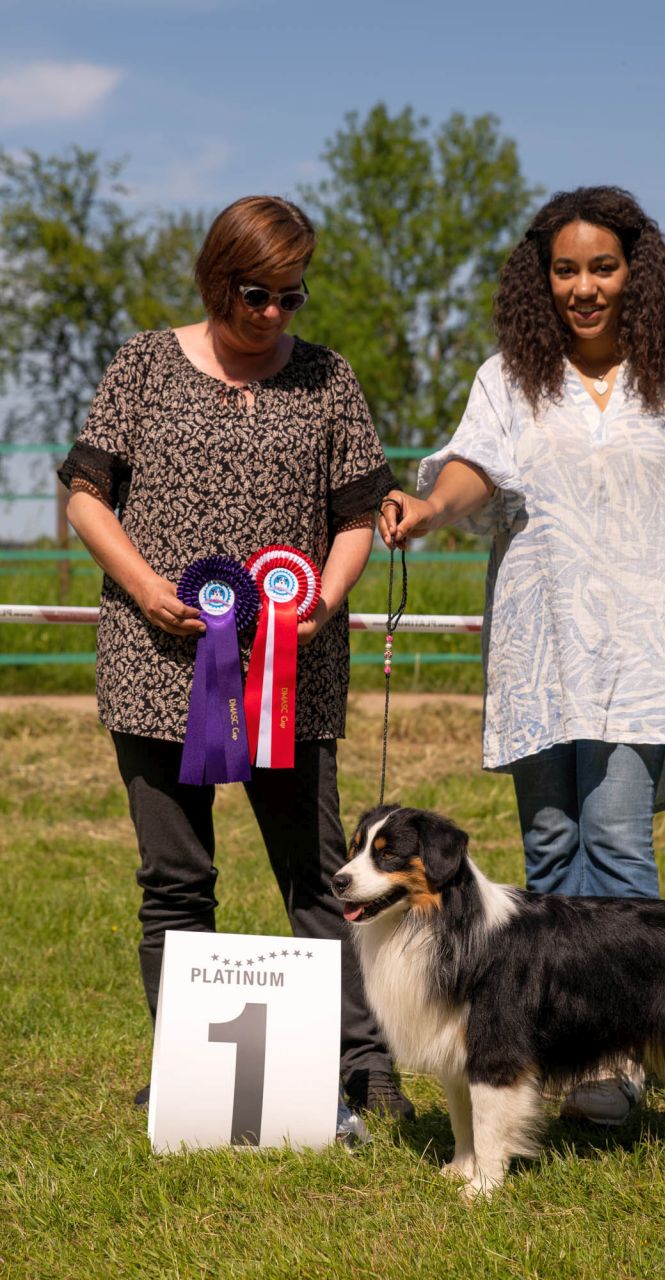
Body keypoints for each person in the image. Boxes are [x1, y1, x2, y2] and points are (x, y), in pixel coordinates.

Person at [379, 186, 665, 1125]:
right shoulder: (508, 379)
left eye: (603, 267)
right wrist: (427, 508)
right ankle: (555, 1051)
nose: (583, 287)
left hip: (644, 656)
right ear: (541, 279)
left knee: (616, 847)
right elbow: (472, 470)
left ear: (637, 273)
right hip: (539, 654)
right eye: (565, 269)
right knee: (548, 851)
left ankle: (618, 1064)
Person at [59, 195, 413, 1122]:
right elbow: (86, 497)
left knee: (325, 877)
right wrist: (144, 586)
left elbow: (353, 516)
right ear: (217, 281)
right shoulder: (141, 363)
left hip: (290, 678)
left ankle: (367, 1067)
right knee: (174, 881)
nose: (274, 315)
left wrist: (324, 601)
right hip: (154, 667)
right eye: (257, 295)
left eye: (293, 298)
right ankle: (188, 1067)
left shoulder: (330, 380)